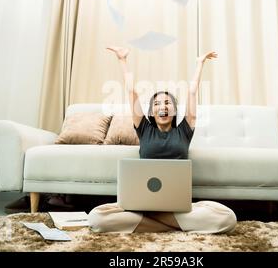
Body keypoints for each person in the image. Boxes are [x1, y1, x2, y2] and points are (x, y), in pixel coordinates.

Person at [87, 46, 237, 234]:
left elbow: (191, 93)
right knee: (96, 217)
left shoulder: (184, 130)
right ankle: (175, 227)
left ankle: (148, 224)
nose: (162, 106)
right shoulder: (144, 129)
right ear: (151, 112)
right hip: (142, 204)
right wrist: (122, 61)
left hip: (176, 207)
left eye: (167, 103)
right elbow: (131, 92)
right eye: (157, 104)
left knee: (228, 218)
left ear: (174, 110)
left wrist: (200, 64)